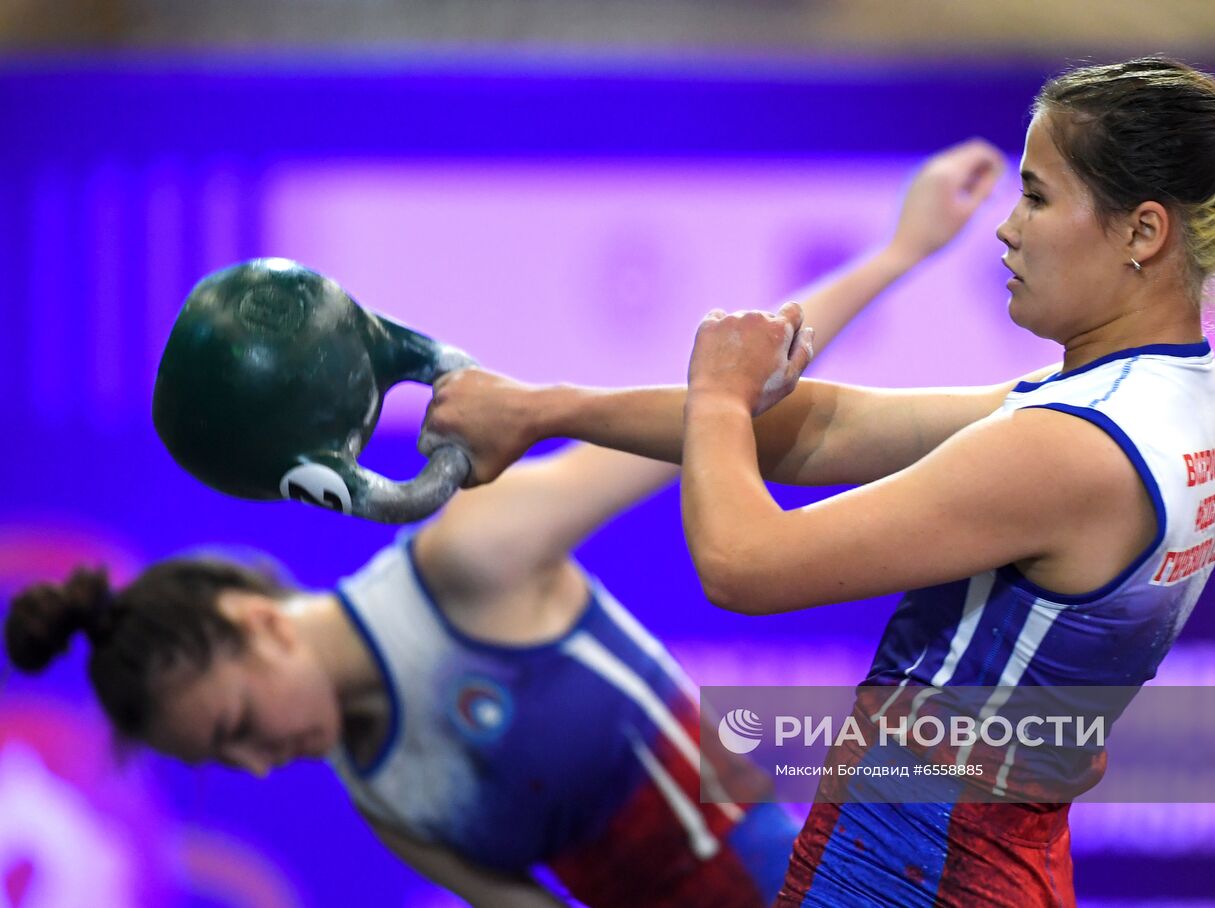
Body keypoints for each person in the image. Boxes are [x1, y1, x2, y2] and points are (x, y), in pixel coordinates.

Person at [417, 57, 1215, 905]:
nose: (1007, 229)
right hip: (979, 854)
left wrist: (717, 393)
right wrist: (542, 409)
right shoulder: (1160, 400)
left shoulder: (1072, 450)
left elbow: (745, 564)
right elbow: (832, 426)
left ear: (1143, 231)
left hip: (917, 871)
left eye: (1037, 198)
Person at [4, 139, 1005, 908]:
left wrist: (901, 250)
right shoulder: (383, 793)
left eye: (237, 727)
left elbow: (723, 399)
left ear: (254, 621)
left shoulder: (469, 557)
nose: (263, 762)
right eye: (229, 762)